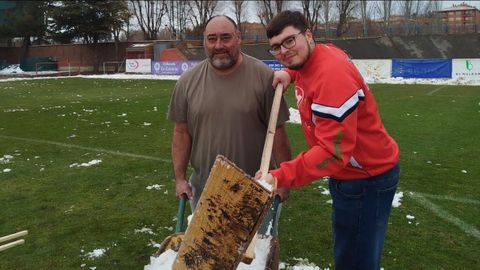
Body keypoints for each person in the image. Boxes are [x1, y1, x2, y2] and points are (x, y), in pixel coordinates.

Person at [258, 11, 400, 270]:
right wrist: (291, 74)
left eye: (290, 41)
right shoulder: (319, 54)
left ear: (308, 34)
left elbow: (333, 154)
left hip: (365, 178)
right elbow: (305, 66)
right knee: (351, 248)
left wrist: (278, 176)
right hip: (355, 174)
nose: (284, 51)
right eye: (276, 47)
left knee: (355, 260)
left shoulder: (330, 76)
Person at [167, 15, 291, 234]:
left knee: (253, 263)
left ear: (238, 38)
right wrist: (179, 179)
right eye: (211, 39)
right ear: (204, 41)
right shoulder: (187, 82)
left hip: (255, 192)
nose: (218, 45)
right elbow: (181, 133)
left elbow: (278, 132)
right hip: (205, 192)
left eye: (225, 38)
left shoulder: (264, 77)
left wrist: (283, 180)